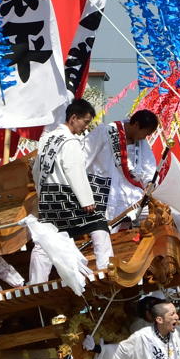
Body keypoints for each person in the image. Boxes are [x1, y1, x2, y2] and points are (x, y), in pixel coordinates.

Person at [30, 98, 110, 275]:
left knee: (46, 239)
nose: (86, 127)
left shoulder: (47, 139)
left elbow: (36, 169)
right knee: (98, 221)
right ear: (73, 118)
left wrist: (41, 192)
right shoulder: (70, 141)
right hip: (63, 197)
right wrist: (86, 200)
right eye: (85, 122)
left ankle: (37, 280)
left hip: (47, 196)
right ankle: (105, 267)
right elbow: (75, 171)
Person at [84, 109, 159, 228]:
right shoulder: (106, 131)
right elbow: (84, 158)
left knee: (155, 218)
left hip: (133, 196)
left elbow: (149, 166)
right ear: (136, 125)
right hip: (107, 194)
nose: (145, 137)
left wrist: (150, 182)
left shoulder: (142, 142)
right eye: (145, 133)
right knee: (109, 233)